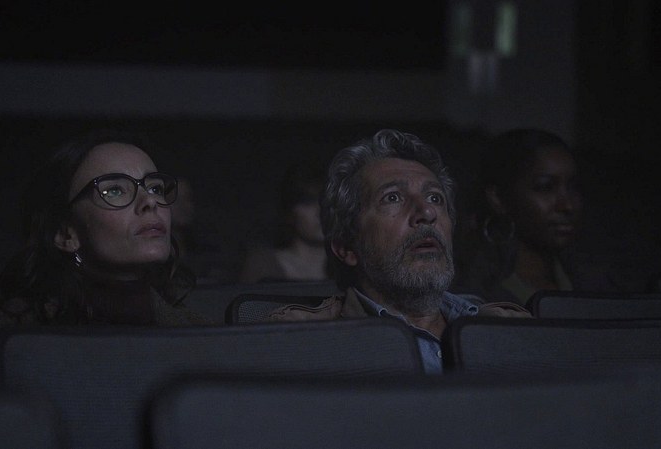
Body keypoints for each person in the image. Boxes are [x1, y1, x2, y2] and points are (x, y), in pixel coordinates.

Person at [266, 129, 530, 375]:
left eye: (435, 198)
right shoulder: (303, 339)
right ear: (347, 248)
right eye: (392, 197)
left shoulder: (509, 326)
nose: (427, 212)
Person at [0, 129, 211, 382]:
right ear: (65, 234)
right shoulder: (1, 336)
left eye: (155, 188)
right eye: (115, 191)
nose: (150, 201)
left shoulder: (200, 333)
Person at [454, 128, 618, 306]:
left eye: (573, 186)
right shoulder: (472, 290)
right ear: (498, 198)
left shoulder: (592, 279)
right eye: (545, 187)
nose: (567, 205)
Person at [238, 159, 330, 283]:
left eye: (327, 201)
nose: (320, 211)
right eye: (308, 202)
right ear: (290, 211)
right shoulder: (263, 265)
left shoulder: (351, 267)